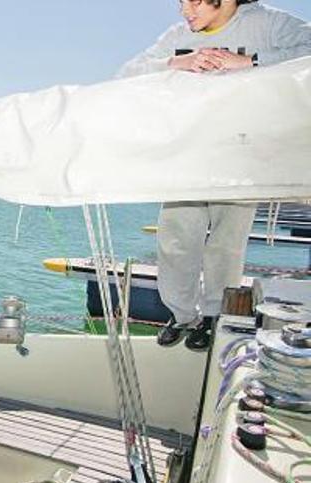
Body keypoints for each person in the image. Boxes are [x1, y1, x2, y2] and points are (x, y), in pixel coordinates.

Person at [118, 0, 311, 350]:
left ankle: (211, 317)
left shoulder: (267, 24)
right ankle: (181, 315)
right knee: (175, 240)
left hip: (243, 154)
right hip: (189, 153)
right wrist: (176, 63)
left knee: (226, 244)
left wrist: (251, 62)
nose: (184, 11)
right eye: (181, 3)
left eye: (193, 2)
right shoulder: (178, 36)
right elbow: (126, 74)